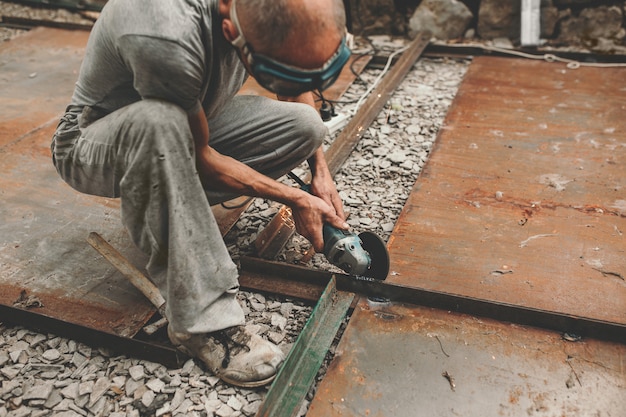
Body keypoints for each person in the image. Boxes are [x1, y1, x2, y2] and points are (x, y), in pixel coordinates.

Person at [50, 0, 350, 387]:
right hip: (94, 139)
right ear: (231, 33)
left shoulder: (256, 11)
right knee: (159, 124)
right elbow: (203, 157)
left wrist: (320, 173)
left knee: (307, 126)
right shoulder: (162, 29)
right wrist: (295, 198)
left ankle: (168, 202)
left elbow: (299, 81)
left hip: (191, 119)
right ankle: (204, 324)